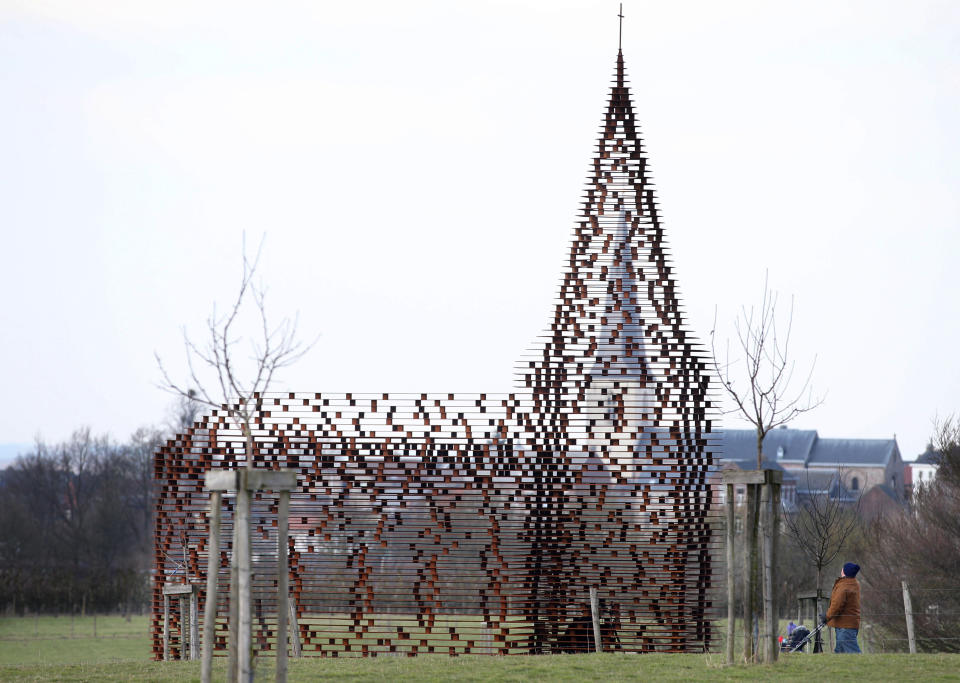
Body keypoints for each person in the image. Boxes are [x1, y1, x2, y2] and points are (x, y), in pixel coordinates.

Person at [823, 562, 862, 653]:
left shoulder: (844, 586)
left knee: (853, 653)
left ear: (844, 571)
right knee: (840, 654)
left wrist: (827, 616)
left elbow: (836, 605)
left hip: (845, 626)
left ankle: (867, 666)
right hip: (848, 624)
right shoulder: (853, 584)